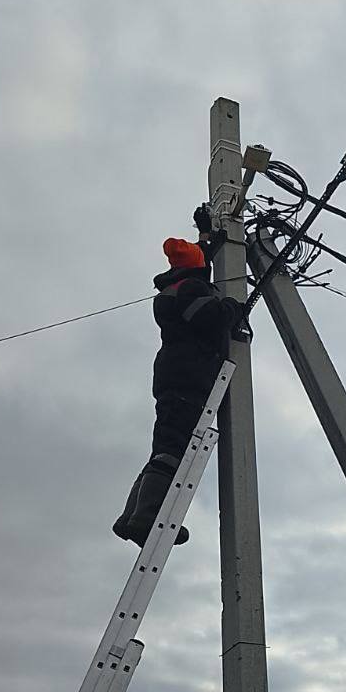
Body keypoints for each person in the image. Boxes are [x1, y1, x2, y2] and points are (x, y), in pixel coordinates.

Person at [113, 206, 241, 546]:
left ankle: (131, 517)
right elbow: (209, 317)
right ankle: (147, 518)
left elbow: (202, 264)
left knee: (164, 446)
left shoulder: (180, 283)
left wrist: (205, 234)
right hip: (189, 375)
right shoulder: (190, 290)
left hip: (174, 374)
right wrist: (232, 308)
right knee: (174, 448)